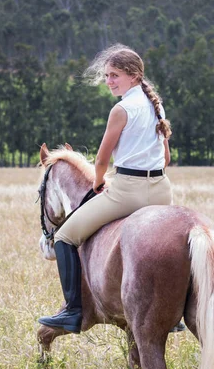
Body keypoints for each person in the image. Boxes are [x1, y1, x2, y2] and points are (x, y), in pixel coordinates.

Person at [39, 44, 184, 334]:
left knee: (65, 237)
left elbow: (103, 159)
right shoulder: (155, 105)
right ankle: (173, 314)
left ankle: (72, 311)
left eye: (114, 75)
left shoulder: (121, 110)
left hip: (128, 191)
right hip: (161, 190)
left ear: (133, 76)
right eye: (106, 76)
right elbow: (166, 158)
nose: (109, 82)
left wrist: (98, 183)